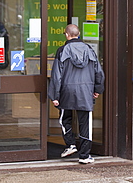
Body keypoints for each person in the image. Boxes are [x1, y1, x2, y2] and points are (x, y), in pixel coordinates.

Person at [48, 24, 105, 164]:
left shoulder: (62, 50)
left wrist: (55, 96)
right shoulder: (90, 50)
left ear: (67, 35)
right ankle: (84, 156)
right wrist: (97, 89)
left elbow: (56, 75)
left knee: (64, 118)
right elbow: (99, 73)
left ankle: (71, 144)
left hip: (66, 91)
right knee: (85, 123)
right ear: (78, 34)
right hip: (86, 91)